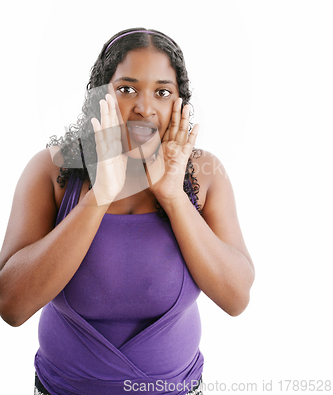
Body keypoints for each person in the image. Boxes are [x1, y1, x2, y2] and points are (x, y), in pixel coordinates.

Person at [0, 28, 255, 395]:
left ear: (178, 104)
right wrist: (100, 195)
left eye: (162, 92)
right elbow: (12, 306)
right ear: (100, 96)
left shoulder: (203, 173)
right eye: (127, 89)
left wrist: (173, 197)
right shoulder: (50, 170)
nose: (145, 107)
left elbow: (236, 299)